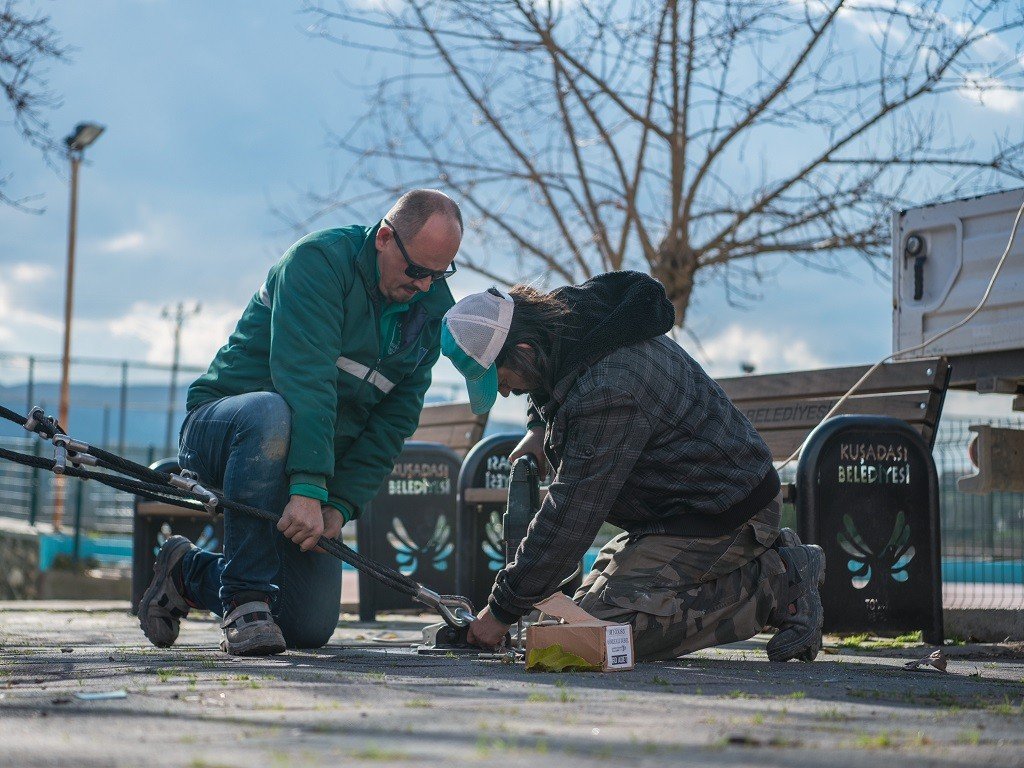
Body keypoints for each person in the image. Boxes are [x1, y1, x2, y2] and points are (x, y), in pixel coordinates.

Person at [139, 189, 462, 655]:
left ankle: (186, 573)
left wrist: (340, 505)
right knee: (271, 411)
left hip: (303, 465)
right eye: (418, 271)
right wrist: (309, 487)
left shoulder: (428, 313)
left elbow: (392, 424)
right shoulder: (319, 263)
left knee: (306, 625)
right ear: (385, 239)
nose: (427, 286)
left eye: (441, 273)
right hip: (228, 432)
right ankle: (246, 600)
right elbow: (306, 382)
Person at [440, 273, 825, 662]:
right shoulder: (565, 324)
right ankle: (767, 568)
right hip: (672, 512)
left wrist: (501, 611)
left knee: (606, 634)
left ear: (523, 349)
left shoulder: (608, 389)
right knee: (568, 625)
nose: (504, 391)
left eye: (502, 380)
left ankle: (777, 581)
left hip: (724, 514)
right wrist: (538, 428)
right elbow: (545, 373)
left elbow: (570, 517)